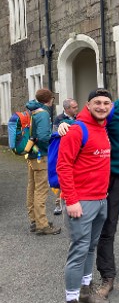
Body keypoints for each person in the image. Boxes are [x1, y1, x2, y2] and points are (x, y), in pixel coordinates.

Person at [58, 76, 119, 297]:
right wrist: (64, 124)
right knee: (107, 229)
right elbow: (89, 122)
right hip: (113, 178)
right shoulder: (111, 111)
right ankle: (107, 275)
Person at [57, 89, 113, 303]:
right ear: (87, 105)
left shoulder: (103, 127)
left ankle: (85, 293)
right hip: (80, 202)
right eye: (97, 103)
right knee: (79, 249)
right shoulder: (77, 130)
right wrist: (71, 200)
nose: (102, 106)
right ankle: (71, 301)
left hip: (101, 200)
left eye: (106, 103)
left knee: (91, 247)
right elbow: (63, 166)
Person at [26, 88, 61, 235]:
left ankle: (34, 220)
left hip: (32, 154)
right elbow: (43, 137)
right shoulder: (44, 113)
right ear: (49, 100)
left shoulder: (33, 111)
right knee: (41, 190)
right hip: (41, 156)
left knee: (32, 188)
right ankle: (42, 225)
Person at [52, 98, 79, 215]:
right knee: (61, 178)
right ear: (67, 109)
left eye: (76, 106)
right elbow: (55, 135)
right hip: (62, 151)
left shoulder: (78, 117)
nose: (76, 109)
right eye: (74, 107)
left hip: (76, 152)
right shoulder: (58, 119)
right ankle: (58, 203)